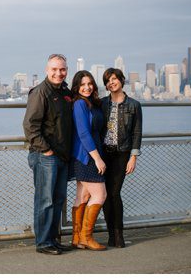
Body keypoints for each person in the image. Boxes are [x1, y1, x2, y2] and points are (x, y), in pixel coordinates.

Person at [22, 53, 75, 255]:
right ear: (47, 70)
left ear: (66, 71)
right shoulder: (40, 92)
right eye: (54, 69)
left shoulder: (66, 92)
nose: (58, 73)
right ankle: (43, 243)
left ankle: (53, 239)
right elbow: (30, 126)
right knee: (45, 201)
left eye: (62, 69)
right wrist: (46, 150)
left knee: (58, 200)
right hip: (45, 156)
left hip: (62, 156)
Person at [101, 67, 143, 247]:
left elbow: (137, 132)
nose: (111, 82)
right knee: (104, 194)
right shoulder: (102, 103)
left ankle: (118, 235)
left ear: (121, 80)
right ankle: (110, 234)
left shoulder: (134, 105)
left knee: (114, 193)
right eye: (108, 81)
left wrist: (133, 157)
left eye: (114, 79)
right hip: (103, 153)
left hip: (122, 154)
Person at [70, 70, 108, 251]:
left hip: (88, 154)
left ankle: (77, 238)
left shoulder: (92, 103)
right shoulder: (79, 104)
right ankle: (86, 237)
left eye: (89, 83)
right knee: (100, 195)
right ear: (76, 87)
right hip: (87, 156)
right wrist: (98, 159)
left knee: (83, 196)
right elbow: (83, 133)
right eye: (82, 84)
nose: (87, 87)